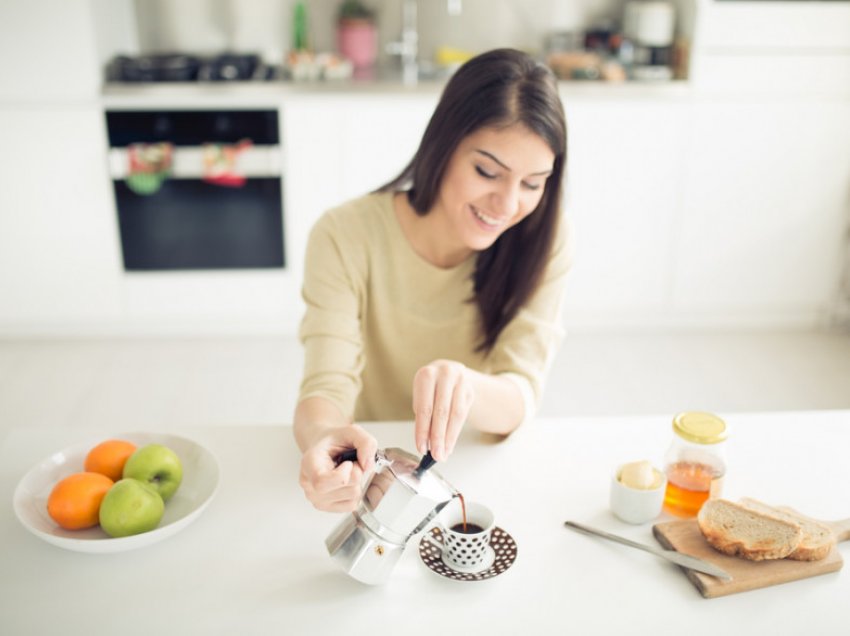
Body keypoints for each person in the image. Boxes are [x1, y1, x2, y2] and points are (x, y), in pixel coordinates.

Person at [294, 48, 571, 512]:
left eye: (532, 183)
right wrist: (323, 439)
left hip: (477, 469)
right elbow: (326, 386)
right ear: (442, 147)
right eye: (487, 171)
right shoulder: (344, 234)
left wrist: (467, 386)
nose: (506, 205)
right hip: (373, 473)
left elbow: (520, 395)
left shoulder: (546, 237)